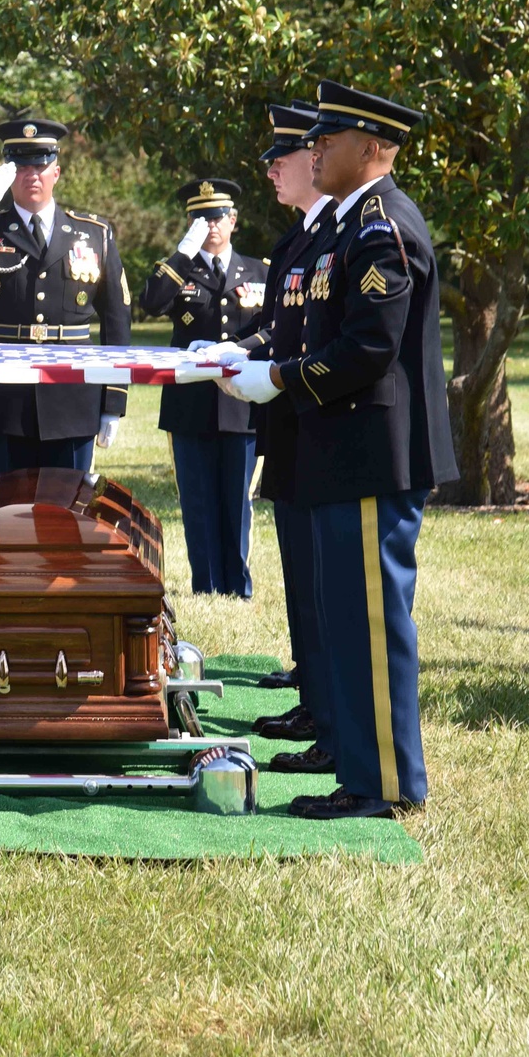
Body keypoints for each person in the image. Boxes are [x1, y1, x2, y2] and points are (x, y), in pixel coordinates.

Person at [219, 80, 458, 819]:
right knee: (347, 627)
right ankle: (362, 770)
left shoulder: (382, 226)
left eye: (332, 139)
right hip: (344, 452)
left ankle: (385, 784)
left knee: (371, 630)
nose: (315, 148)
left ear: (375, 149)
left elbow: (367, 349)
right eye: (315, 139)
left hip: (369, 455)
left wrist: (278, 378)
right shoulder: (352, 224)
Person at [199, 103, 338, 765]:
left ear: (319, 159)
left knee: (321, 579)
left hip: (317, 421)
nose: (271, 171)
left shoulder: (339, 235)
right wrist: (240, 352)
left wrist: (268, 370)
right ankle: (315, 692)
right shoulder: (298, 241)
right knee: (302, 572)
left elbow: (335, 342)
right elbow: (284, 330)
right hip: (292, 424)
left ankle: (327, 701)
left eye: (282, 158)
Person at [0, 118, 132, 474]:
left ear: (56, 172)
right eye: (19, 166)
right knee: (7, 516)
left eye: (40, 164)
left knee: (67, 517)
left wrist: (114, 398)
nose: (31, 174)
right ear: (6, 175)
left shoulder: (94, 233)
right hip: (5, 398)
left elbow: (116, 318)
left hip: (73, 395)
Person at [140, 179, 267, 597]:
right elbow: (151, 302)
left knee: (237, 500)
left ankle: (238, 585)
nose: (209, 225)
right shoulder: (181, 270)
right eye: (199, 217)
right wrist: (183, 250)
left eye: (216, 216)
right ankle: (206, 585)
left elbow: (272, 327)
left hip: (241, 403)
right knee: (197, 501)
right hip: (189, 403)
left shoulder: (259, 270)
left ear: (233, 219)